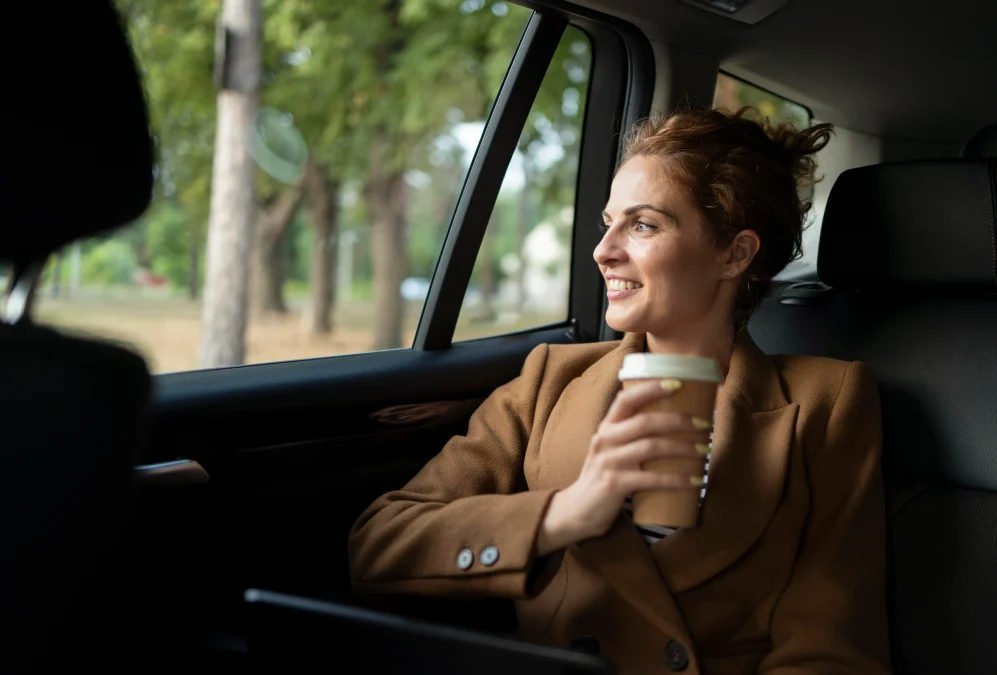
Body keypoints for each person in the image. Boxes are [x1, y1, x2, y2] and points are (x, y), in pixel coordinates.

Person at [348, 106, 890, 675]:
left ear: (735, 253)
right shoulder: (548, 380)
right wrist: (565, 514)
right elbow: (378, 546)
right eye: (608, 221)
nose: (602, 250)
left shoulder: (828, 402)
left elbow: (830, 652)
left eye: (644, 224)